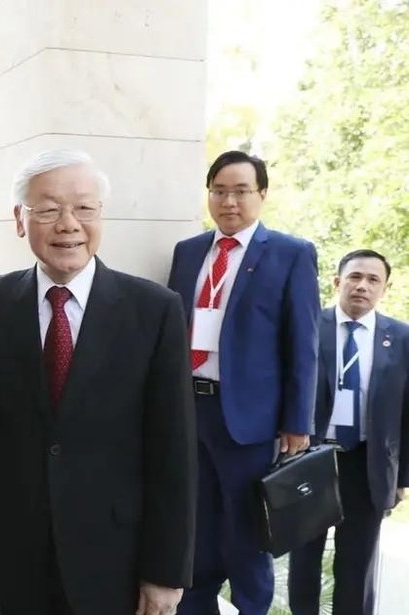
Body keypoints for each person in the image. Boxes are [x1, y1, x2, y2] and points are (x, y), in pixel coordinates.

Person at [0, 149, 198, 615]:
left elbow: (173, 450)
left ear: (100, 216)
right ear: (19, 219)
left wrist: (166, 571)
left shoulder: (154, 310)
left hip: (117, 557)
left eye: (84, 208)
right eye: (48, 209)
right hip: (18, 551)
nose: (68, 224)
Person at [166, 150, 320, 615]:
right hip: (191, 409)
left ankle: (252, 607)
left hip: (249, 420)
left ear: (262, 194)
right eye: (219, 191)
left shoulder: (291, 254)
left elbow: (304, 343)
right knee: (195, 526)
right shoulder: (189, 252)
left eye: (240, 191)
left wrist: (297, 422)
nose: (228, 201)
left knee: (247, 531)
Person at [288, 249, 409, 615]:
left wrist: (401, 477)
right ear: (338, 282)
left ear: (384, 289)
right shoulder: (309, 326)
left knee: (357, 566)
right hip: (311, 460)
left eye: (373, 280)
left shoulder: (401, 338)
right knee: (304, 561)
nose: (362, 286)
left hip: (368, 463)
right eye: (355, 277)